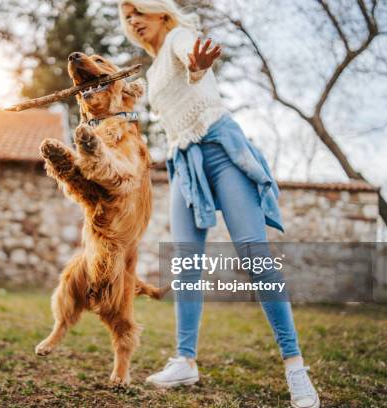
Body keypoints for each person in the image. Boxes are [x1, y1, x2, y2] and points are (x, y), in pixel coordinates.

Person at [118, 1, 319, 407]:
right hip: (183, 160)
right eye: (126, 16)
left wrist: (197, 65)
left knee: (253, 251)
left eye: (138, 10)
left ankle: (295, 365)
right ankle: (186, 361)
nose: (133, 20)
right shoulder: (151, 68)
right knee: (187, 260)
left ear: (159, 12)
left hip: (220, 149)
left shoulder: (179, 37)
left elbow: (192, 60)